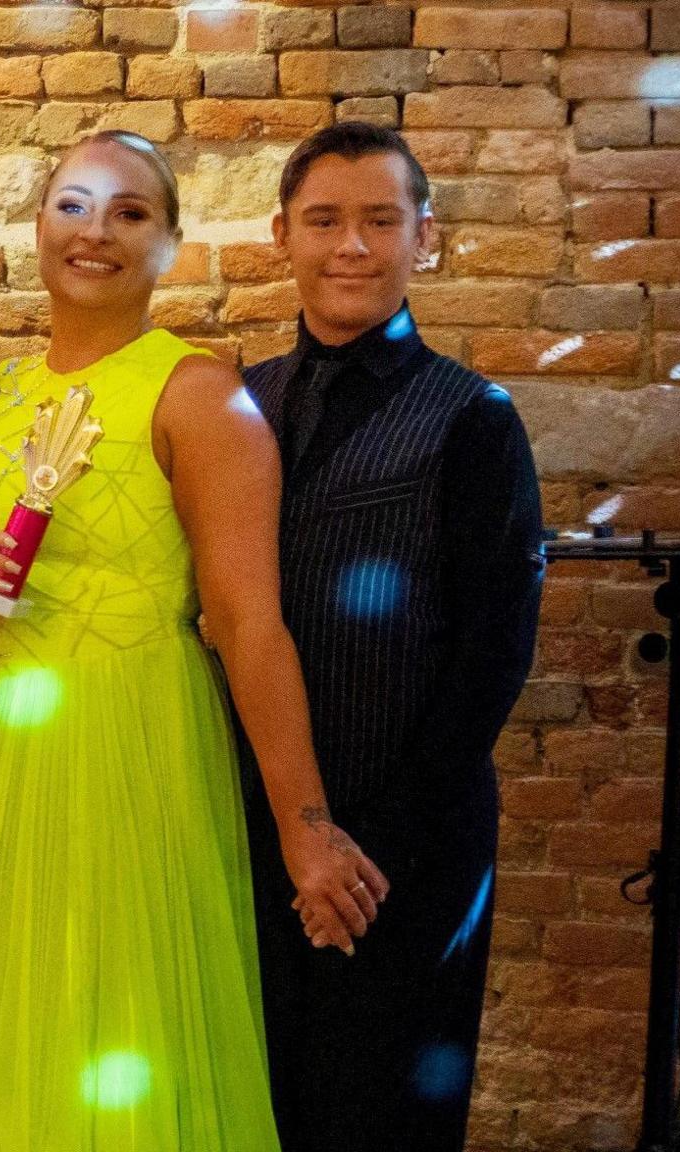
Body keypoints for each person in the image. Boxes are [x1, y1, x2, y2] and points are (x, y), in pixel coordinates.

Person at [0, 132, 388, 1149]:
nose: (95, 232)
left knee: (100, 1038)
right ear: (38, 225)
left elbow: (245, 624)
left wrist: (302, 826)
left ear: (168, 245)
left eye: (129, 213)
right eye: (73, 206)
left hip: (120, 756)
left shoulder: (200, 396)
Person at [241, 120, 543, 1152]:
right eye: (323, 221)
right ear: (280, 234)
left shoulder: (472, 418)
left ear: (425, 236)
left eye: (379, 220)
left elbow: (490, 657)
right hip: (253, 831)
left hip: (406, 848)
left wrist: (360, 856)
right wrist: (294, 835)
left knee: (389, 1115)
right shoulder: (237, 405)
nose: (351, 247)